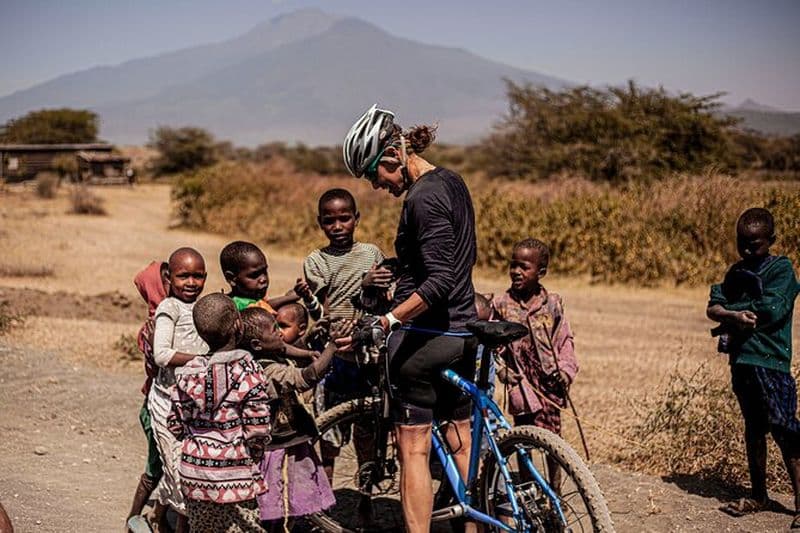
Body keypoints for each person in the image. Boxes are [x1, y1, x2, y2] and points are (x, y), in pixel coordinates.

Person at [343, 104, 478, 532]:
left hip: (428, 337)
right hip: (463, 327)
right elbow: (450, 260)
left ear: (391, 157)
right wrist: (398, 267)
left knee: (413, 447)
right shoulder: (451, 182)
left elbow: (438, 280)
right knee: (460, 437)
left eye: (373, 176)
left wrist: (387, 321)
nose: (377, 187)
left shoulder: (421, 198)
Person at [707, 207, 800, 526]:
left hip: (770, 362)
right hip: (743, 361)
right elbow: (713, 303)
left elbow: (771, 309)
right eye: (742, 242)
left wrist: (728, 311)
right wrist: (732, 315)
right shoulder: (736, 272)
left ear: (771, 240)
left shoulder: (782, 270)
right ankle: (760, 495)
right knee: (754, 428)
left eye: (755, 244)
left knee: (785, 429)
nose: (747, 249)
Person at [302, 188, 387, 484]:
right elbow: (321, 314)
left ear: (356, 219)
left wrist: (377, 287)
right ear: (320, 222)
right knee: (329, 443)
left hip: (367, 362)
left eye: (344, 219)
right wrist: (362, 286)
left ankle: (365, 504)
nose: (337, 227)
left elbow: (382, 302)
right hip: (335, 360)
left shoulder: (372, 253)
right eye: (329, 221)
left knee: (368, 442)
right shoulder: (317, 261)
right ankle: (325, 508)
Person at [168, 293, 271, 533]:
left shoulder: (188, 373)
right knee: (244, 528)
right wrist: (255, 451)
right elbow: (258, 426)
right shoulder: (248, 371)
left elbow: (174, 422)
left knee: (203, 529)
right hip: (234, 472)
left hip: (195, 472)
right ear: (238, 325)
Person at [238, 307, 347, 531]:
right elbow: (306, 378)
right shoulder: (268, 370)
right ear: (258, 345)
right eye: (273, 329)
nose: (279, 333)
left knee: (285, 501)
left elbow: (284, 348)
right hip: (280, 448)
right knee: (281, 502)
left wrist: (306, 353)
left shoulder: (263, 354)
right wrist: (332, 347)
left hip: (288, 442)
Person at [492, 238, 578, 491]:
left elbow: (565, 341)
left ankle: (555, 489)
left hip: (549, 384)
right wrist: (501, 369)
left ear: (540, 272)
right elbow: (493, 345)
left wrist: (565, 370)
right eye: (513, 265)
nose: (516, 271)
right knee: (522, 437)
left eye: (524, 267)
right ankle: (527, 486)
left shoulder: (552, 303)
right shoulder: (501, 305)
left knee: (553, 440)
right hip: (521, 384)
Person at [148, 247, 209, 533]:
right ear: (168, 277)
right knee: (179, 473)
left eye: (197, 276)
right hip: (166, 402)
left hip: (194, 404)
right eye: (183, 276)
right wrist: (201, 360)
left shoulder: (205, 307)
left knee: (188, 469)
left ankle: (157, 515)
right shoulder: (169, 308)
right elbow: (161, 355)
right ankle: (169, 524)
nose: (191, 282)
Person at [127, 261, 169, 532]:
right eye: (167, 279)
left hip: (167, 406)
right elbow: (156, 364)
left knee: (168, 467)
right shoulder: (153, 327)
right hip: (155, 408)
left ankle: (159, 519)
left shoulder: (178, 316)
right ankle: (132, 519)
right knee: (155, 469)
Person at [220, 240, 311, 313]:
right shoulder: (234, 305)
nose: (263, 279)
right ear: (232, 279)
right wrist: (288, 298)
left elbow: (264, 304)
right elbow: (260, 310)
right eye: (254, 275)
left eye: (265, 272)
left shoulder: (252, 297)